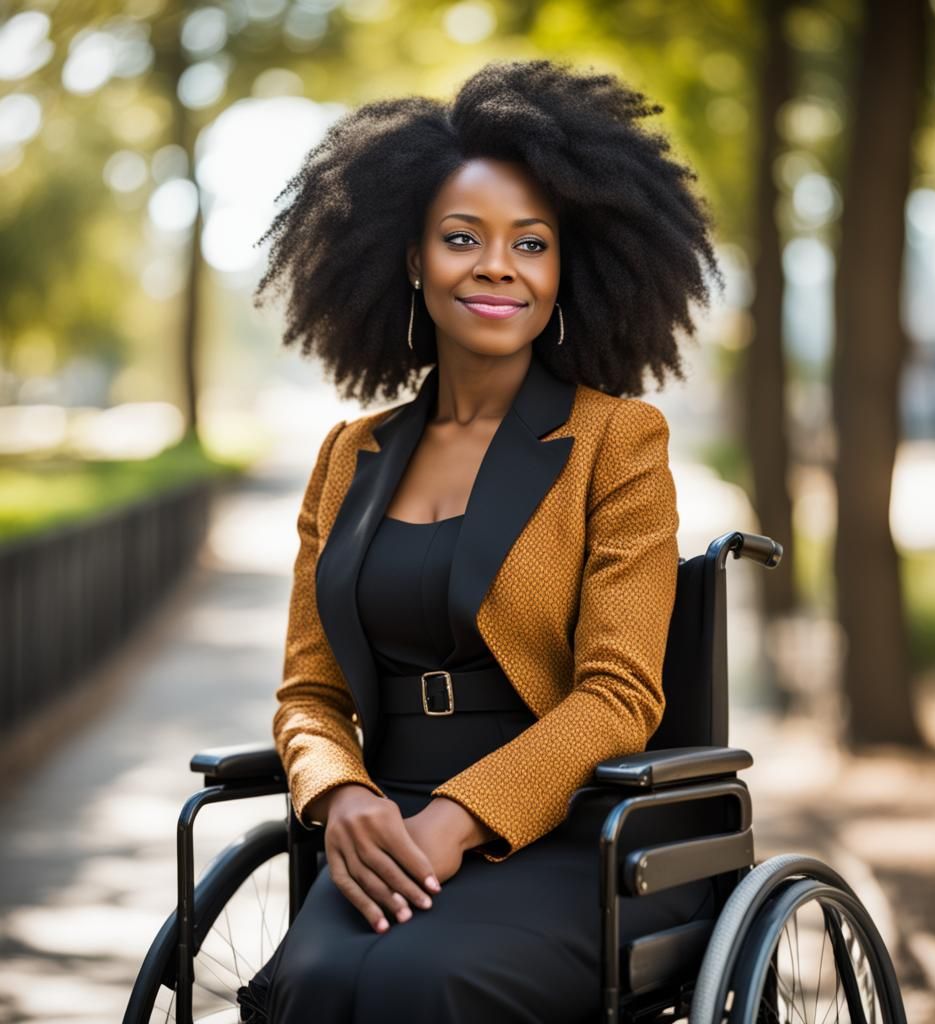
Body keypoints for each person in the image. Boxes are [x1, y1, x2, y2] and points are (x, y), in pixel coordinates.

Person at [237, 57, 724, 1023]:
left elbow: (620, 695)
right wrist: (340, 796)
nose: (498, 265)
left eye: (531, 244)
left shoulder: (616, 442)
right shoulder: (349, 455)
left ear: (563, 271)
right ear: (413, 260)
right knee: (312, 986)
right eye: (462, 238)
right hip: (384, 819)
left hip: (574, 826)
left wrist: (460, 820)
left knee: (424, 984)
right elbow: (310, 693)